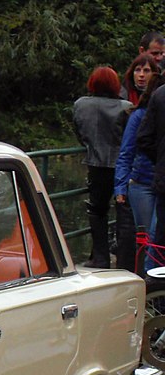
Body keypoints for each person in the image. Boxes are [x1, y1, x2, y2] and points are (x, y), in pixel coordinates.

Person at [73, 65, 131, 268]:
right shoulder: (125, 106)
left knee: (97, 210)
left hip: (95, 163)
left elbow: (79, 132)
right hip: (121, 164)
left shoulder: (81, 105)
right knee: (123, 212)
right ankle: (125, 258)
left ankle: (99, 256)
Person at [116, 72, 162, 272]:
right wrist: (120, 185)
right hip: (144, 181)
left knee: (154, 237)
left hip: (156, 179)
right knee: (150, 239)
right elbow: (127, 151)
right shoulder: (139, 116)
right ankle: (148, 283)